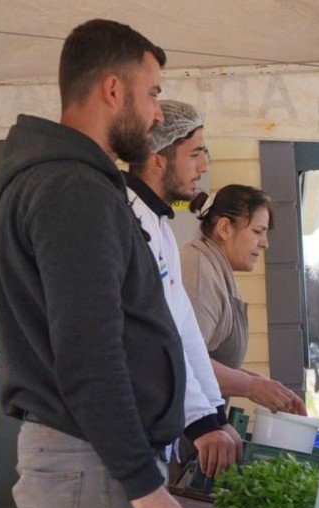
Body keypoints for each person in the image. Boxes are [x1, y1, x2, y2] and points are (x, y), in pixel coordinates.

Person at [0, 19, 190, 508]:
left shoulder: (66, 178)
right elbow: (88, 353)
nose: (157, 114)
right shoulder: (72, 187)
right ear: (112, 90)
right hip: (91, 462)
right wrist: (144, 482)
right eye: (152, 93)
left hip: (88, 458)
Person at [123, 100, 242, 478]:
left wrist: (212, 415)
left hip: (152, 437)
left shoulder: (160, 228)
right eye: (195, 154)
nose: (204, 168)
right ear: (158, 157)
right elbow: (155, 335)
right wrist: (201, 422)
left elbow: (184, 329)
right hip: (125, 443)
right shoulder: (128, 222)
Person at [179, 185, 306, 415]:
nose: (265, 243)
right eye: (258, 232)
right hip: (188, 429)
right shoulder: (199, 272)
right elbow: (186, 362)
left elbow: (210, 359)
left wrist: (267, 387)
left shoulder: (217, 268)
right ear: (225, 228)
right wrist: (251, 387)